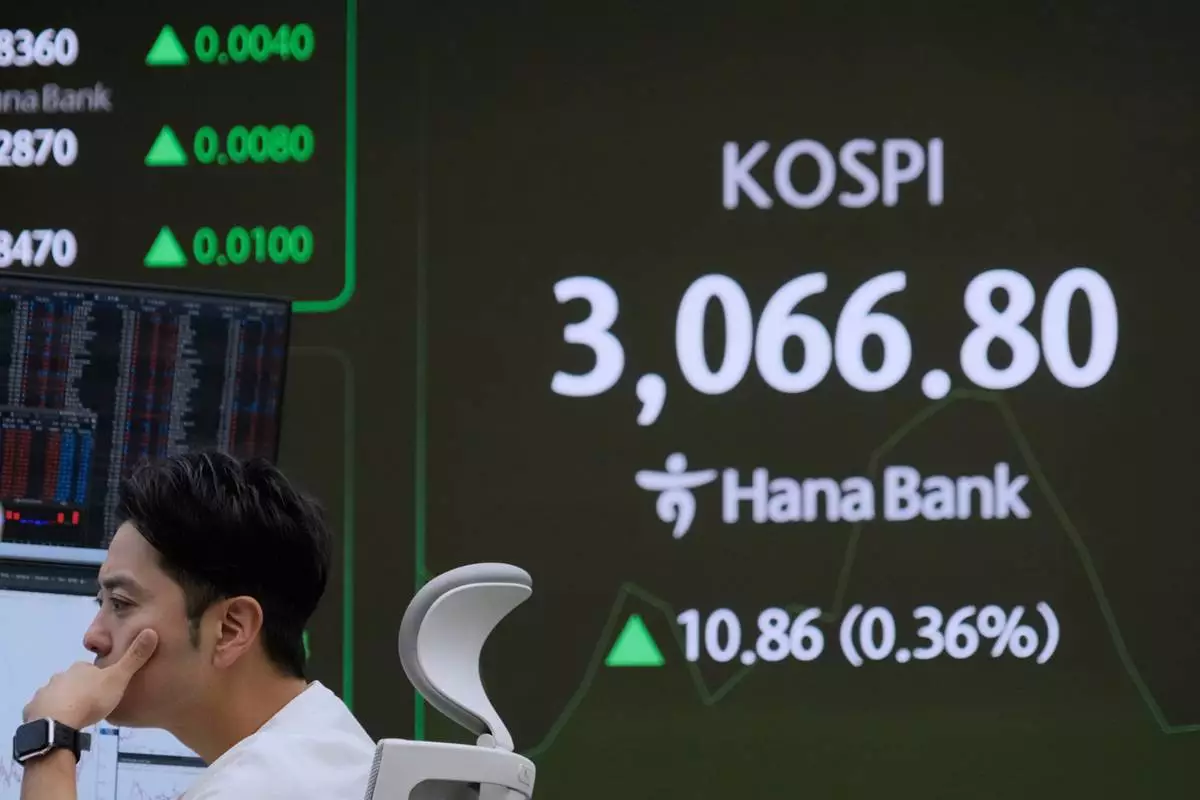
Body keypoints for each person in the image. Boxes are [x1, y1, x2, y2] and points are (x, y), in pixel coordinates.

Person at [16, 452, 376, 799]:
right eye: (102, 603)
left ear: (230, 629)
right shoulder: (319, 751)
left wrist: (51, 738)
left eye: (121, 603)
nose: (92, 637)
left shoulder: (269, 786)